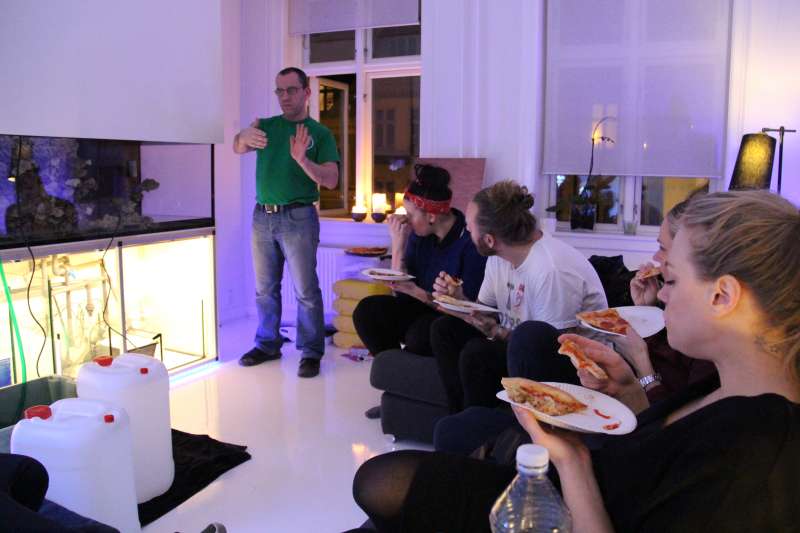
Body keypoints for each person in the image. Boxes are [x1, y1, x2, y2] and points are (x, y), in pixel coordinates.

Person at [351, 190, 800, 532]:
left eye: (673, 280)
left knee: (385, 483)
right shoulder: (728, 383)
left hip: (577, 501)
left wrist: (572, 460)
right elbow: (664, 452)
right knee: (388, 483)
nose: (662, 294)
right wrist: (630, 391)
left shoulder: (758, 458)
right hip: (587, 478)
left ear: (722, 296)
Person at [430, 180, 607, 412]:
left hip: (576, 368)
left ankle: (486, 426)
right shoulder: (498, 257)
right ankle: (461, 416)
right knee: (444, 329)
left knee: (479, 353)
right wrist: (459, 300)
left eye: (469, 226)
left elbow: (550, 348)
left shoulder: (550, 269)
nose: (467, 230)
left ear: (490, 239)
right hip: (522, 346)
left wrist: (496, 331)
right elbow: (485, 311)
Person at [233, 67, 339, 378]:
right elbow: (238, 147)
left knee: (305, 290)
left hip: (299, 217)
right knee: (264, 289)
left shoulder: (320, 134)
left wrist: (302, 159)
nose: (285, 97)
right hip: (262, 216)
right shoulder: (266, 127)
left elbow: (331, 180)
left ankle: (311, 351)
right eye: (279, 90)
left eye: (291, 90)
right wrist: (241, 137)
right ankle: (268, 344)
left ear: (307, 92)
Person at [352, 164, 486, 359]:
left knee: (420, 333)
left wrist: (416, 292)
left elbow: (467, 310)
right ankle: (391, 369)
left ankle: (406, 371)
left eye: (410, 214)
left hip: (452, 320)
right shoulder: (419, 235)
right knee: (367, 311)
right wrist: (398, 244)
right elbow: (400, 294)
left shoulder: (469, 243)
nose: (405, 220)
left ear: (431, 216)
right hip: (419, 308)